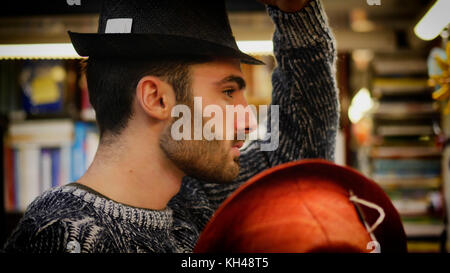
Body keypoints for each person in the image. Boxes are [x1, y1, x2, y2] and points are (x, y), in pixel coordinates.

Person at [3, 0, 339, 253]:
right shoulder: (62, 237)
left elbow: (294, 163)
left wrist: (297, 13)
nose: (248, 121)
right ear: (157, 99)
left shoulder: (190, 199)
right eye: (227, 92)